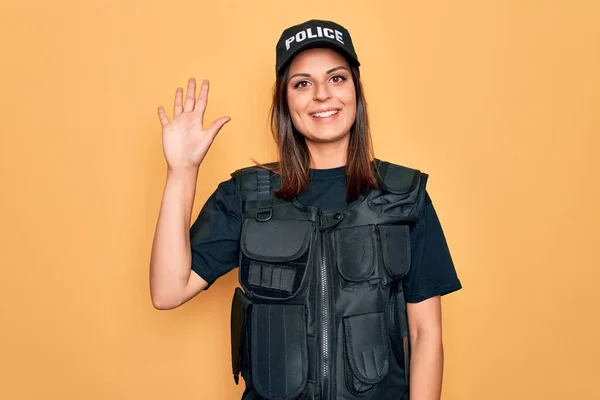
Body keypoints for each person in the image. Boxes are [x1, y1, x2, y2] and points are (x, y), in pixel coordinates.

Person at [150, 19, 462, 400]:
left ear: (356, 92)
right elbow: (167, 291)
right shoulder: (244, 196)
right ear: (285, 101)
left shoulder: (403, 195)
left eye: (336, 78)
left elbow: (425, 334)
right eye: (302, 83)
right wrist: (181, 173)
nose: (321, 95)